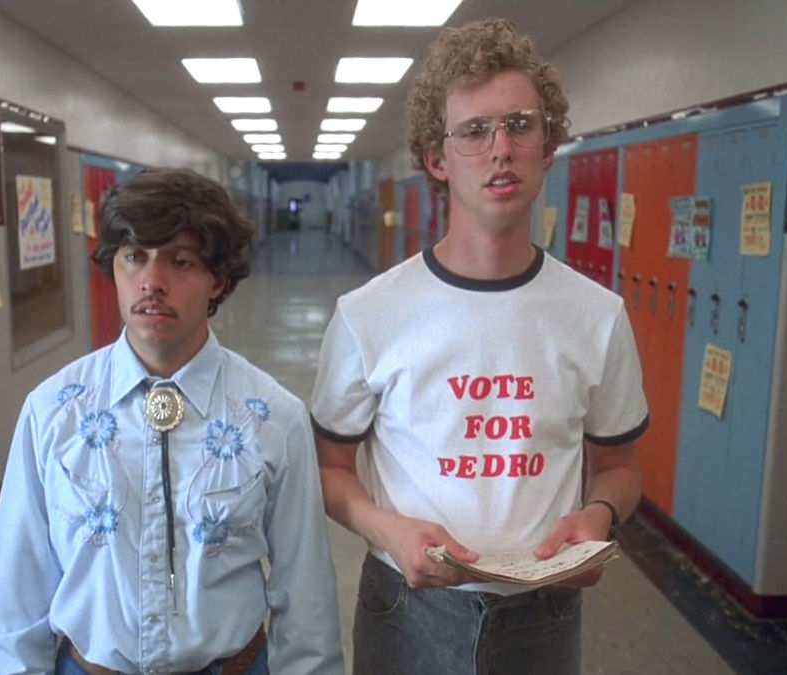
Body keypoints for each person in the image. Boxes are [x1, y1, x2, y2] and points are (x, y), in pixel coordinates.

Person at [310, 18, 648, 675]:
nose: (501, 148)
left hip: (541, 614)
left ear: (547, 146)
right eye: (474, 130)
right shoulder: (369, 314)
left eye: (521, 125)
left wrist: (600, 513)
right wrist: (387, 529)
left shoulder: (597, 315)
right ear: (436, 160)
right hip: (406, 610)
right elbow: (329, 468)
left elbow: (619, 464)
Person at [0, 168, 344, 674]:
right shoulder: (55, 411)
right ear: (115, 268)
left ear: (217, 279)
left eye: (181, 261)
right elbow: (14, 589)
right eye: (135, 257)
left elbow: (306, 595)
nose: (152, 282)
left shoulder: (273, 416)